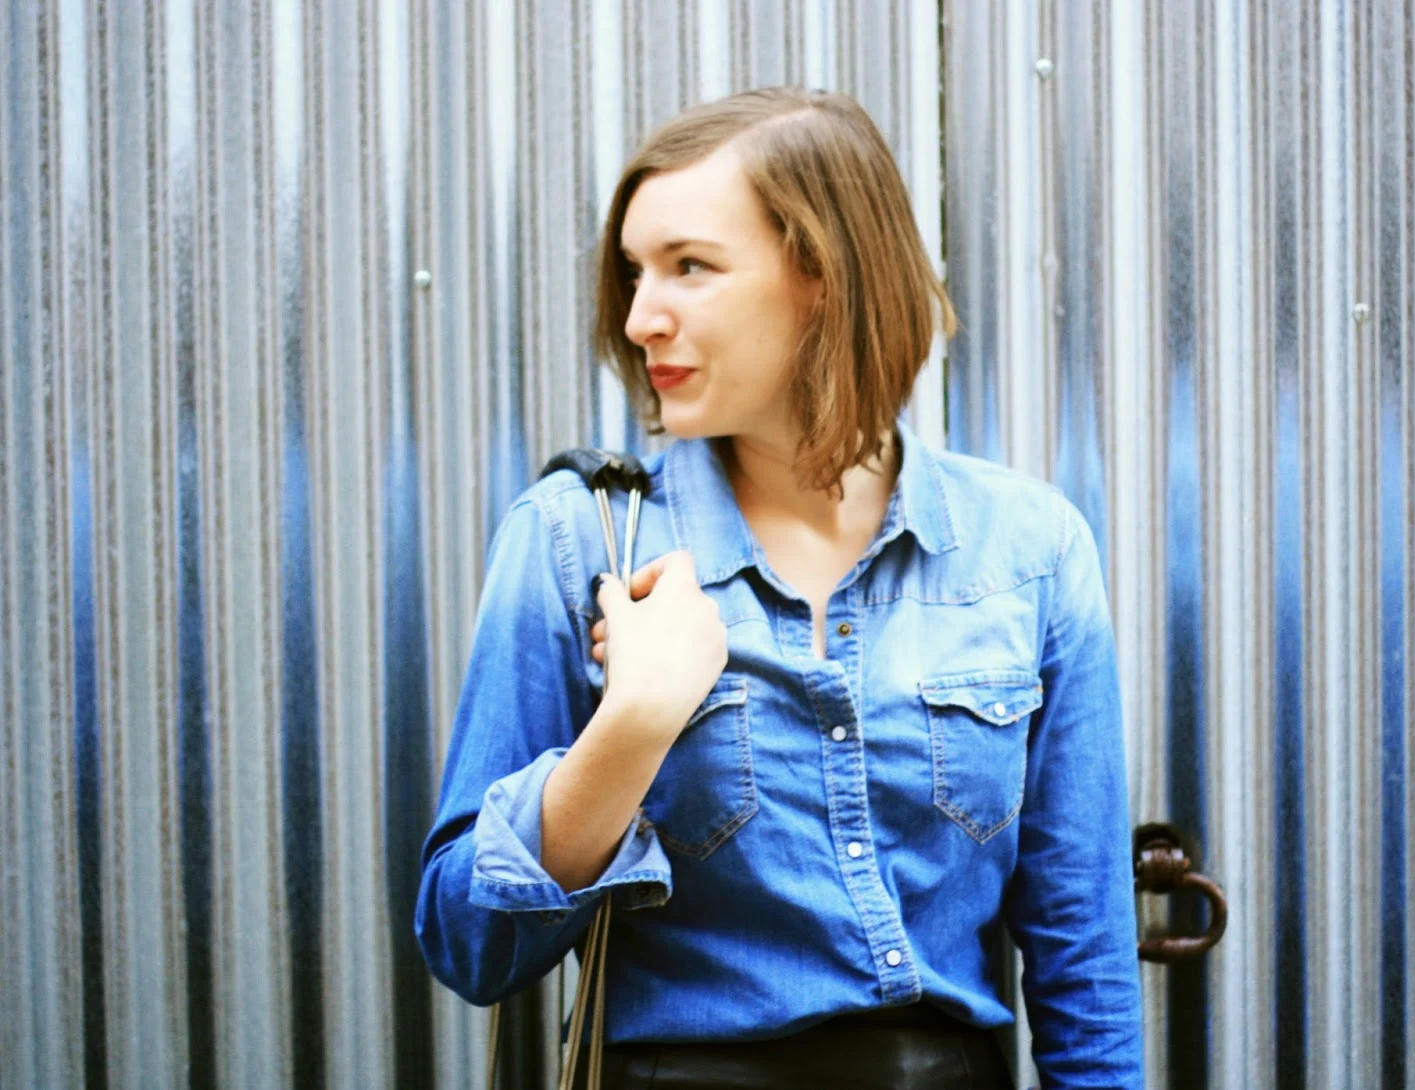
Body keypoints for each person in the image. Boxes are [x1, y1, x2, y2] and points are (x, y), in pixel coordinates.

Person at [415, 87, 1142, 1089]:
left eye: (690, 266)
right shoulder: (574, 539)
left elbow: (1083, 953)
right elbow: (468, 943)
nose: (639, 317)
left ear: (823, 277)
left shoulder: (1027, 548)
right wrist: (633, 725)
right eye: (633, 272)